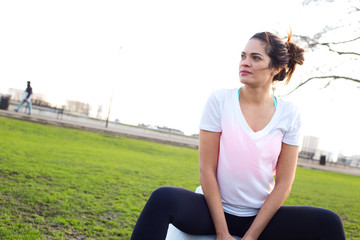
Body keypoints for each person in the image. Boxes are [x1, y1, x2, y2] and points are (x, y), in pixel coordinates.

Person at [130, 32, 346, 240]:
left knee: (329, 222)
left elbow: (283, 184)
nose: (245, 62)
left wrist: (251, 236)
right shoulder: (220, 100)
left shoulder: (290, 114)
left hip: (260, 217)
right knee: (163, 198)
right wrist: (223, 233)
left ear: (276, 68)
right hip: (212, 211)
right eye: (243, 56)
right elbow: (207, 169)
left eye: (255, 57)